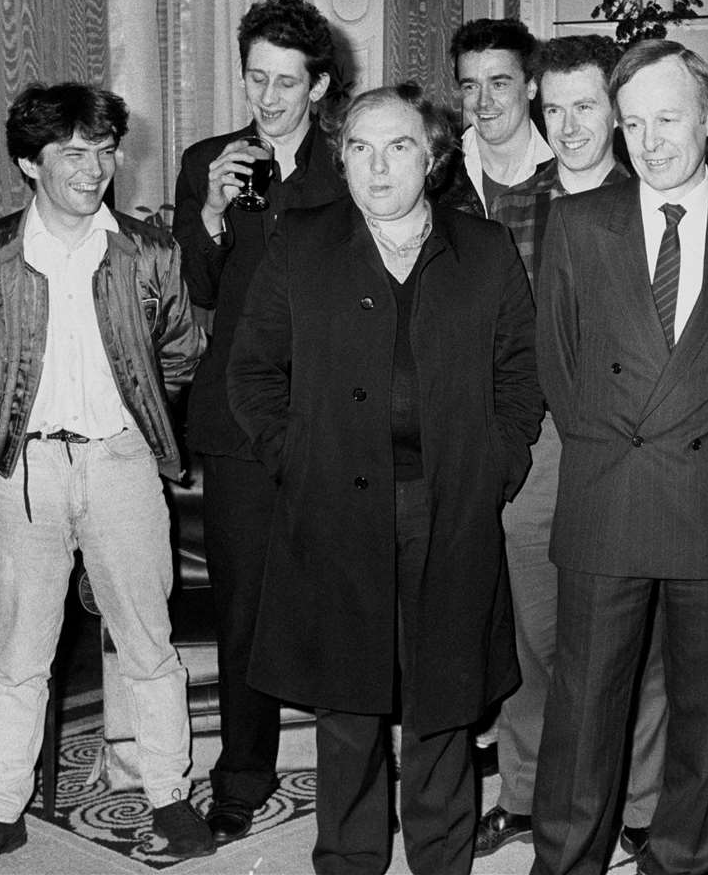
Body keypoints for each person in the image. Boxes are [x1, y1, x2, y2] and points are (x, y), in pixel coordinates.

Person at [226, 84, 541, 875]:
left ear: (432, 159)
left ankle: (441, 854)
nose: (376, 166)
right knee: (349, 699)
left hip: (451, 505)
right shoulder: (300, 241)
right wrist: (295, 460)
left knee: (445, 691)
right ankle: (349, 856)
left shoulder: (485, 249)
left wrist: (496, 466)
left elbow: (521, 372)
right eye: (360, 148)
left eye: (398, 146)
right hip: (335, 506)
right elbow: (254, 374)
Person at [529, 40, 708, 875]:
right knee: (584, 704)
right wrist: (618, 440)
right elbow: (560, 365)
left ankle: (682, 858)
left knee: (706, 707)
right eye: (633, 122)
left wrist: (705, 432)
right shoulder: (575, 222)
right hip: (609, 482)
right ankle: (565, 859)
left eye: (668, 118)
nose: (650, 142)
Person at [0, 83, 210, 875]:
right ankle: (1, 810)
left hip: (122, 462)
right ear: (30, 162)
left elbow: (181, 352)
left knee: (147, 641)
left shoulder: (147, 250)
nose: (96, 169)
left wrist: (142, 425)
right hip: (28, 470)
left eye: (104, 151)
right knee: (20, 651)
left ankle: (167, 791)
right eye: (74, 154)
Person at [477, 34, 668, 860]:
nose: (568, 125)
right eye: (552, 108)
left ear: (618, 110)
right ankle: (527, 791)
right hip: (538, 439)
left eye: (585, 105)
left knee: (639, 632)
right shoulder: (515, 207)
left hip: (634, 445)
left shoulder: (657, 202)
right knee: (530, 627)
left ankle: (641, 802)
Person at [169, 0, 348, 844]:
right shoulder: (207, 161)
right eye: (256, 78)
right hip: (238, 422)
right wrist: (206, 214)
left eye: (286, 82)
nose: (268, 99)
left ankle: (354, 769)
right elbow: (195, 294)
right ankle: (242, 773)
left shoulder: (350, 166)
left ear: (318, 86)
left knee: (341, 594)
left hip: (329, 418)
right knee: (241, 608)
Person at [452, 17, 553, 216]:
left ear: (531, 87)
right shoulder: (439, 172)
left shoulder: (566, 166)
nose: (483, 102)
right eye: (471, 87)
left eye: (498, 85)